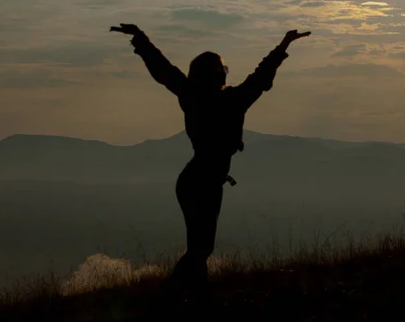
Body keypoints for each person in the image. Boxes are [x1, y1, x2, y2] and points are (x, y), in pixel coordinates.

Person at [110, 23, 311, 296]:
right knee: (201, 247)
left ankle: (191, 294)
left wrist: (141, 40)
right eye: (223, 70)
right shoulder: (233, 100)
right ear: (217, 75)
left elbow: (164, 70)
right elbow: (260, 76)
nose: (226, 74)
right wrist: (283, 46)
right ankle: (171, 295)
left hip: (194, 180)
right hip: (204, 181)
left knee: (200, 246)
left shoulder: (191, 95)